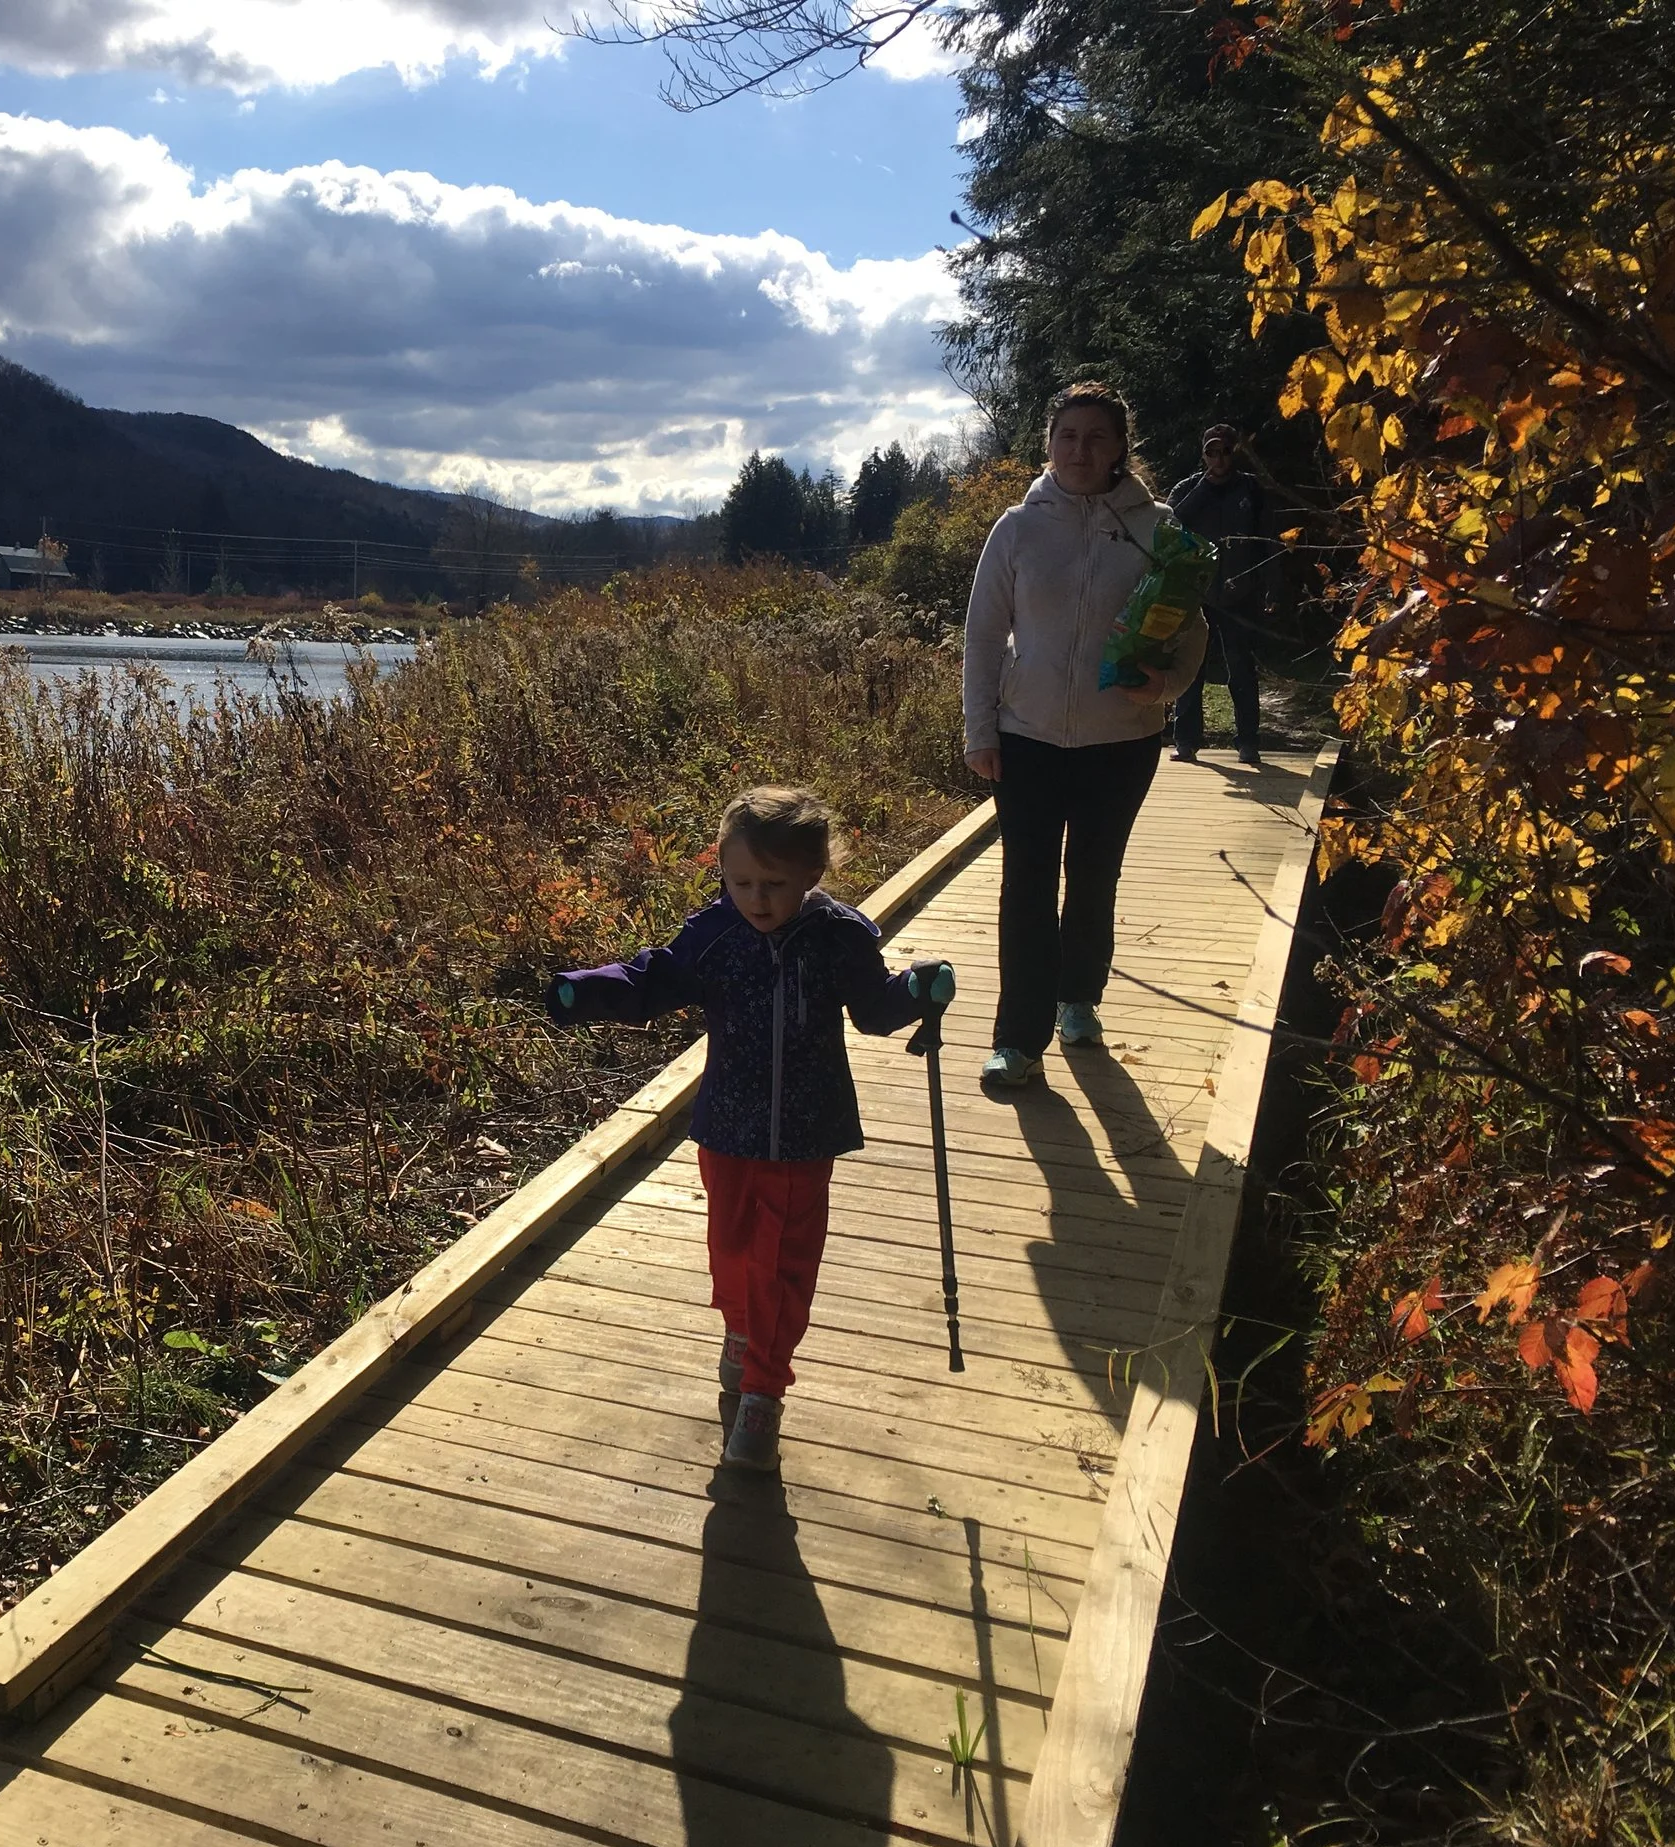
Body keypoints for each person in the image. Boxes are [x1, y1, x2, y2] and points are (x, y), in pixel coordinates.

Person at [546, 786, 955, 1472]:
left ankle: (765, 1390)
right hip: (726, 1125)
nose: (757, 898)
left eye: (774, 883)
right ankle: (742, 1331)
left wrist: (915, 989)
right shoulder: (716, 935)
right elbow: (654, 981)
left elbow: (875, 1010)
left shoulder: (838, 938)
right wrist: (583, 990)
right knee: (733, 1249)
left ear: (812, 875)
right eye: (741, 882)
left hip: (805, 1131)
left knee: (781, 1263)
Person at [961, 382, 1206, 1089]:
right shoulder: (1017, 527)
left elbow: (1192, 630)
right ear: (1048, 443)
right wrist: (982, 729)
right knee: (1026, 886)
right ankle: (1018, 1038)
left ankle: (1079, 999)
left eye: (1096, 437)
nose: (1079, 450)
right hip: (1028, 737)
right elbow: (982, 637)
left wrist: (1162, 689)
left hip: (1121, 742)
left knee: (1094, 878)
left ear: (1119, 448)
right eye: (1067, 436)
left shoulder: (1156, 529)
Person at [1166, 424, 1277, 764]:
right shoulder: (1187, 488)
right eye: (1212, 452)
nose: (1219, 458)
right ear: (1203, 454)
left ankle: (1248, 742)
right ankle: (1185, 740)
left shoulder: (1252, 490)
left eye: (1225, 451)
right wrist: (1204, 487)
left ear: (1235, 453)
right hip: (1194, 594)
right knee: (1190, 667)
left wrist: (1272, 586)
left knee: (1241, 670)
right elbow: (1170, 526)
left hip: (1239, 593)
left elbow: (1268, 540)